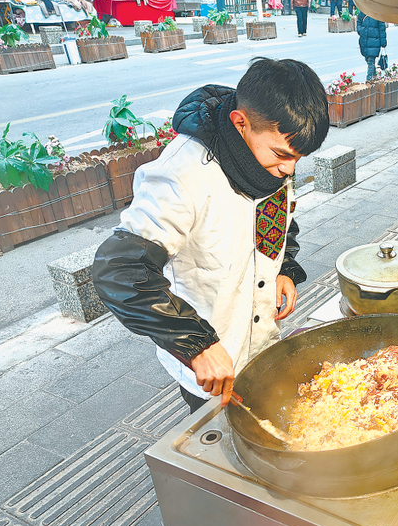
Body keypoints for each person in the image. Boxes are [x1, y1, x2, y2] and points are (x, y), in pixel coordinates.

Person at [92, 58, 330, 413]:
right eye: (282, 155)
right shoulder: (181, 177)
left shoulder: (269, 160)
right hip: (210, 359)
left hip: (261, 340)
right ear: (240, 123)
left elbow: (278, 219)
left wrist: (285, 268)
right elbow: (119, 271)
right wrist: (197, 345)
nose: (289, 169)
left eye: (298, 158)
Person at [357, 12, 387, 81]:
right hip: (364, 41)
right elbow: (359, 22)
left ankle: (369, 81)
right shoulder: (363, 11)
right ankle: (374, 78)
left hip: (374, 42)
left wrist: (383, 43)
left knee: (370, 61)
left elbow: (382, 29)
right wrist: (360, 30)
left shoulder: (378, 13)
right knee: (369, 61)